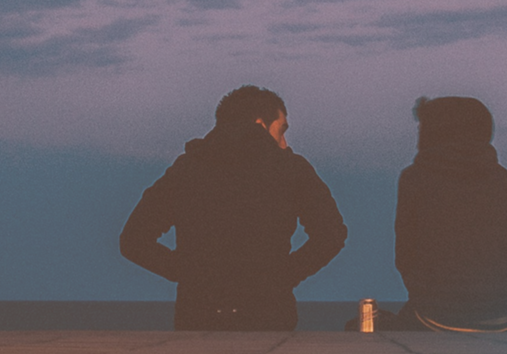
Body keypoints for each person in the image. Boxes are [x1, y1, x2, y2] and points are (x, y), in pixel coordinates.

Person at [120, 85, 348, 330]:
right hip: (268, 317)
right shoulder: (290, 168)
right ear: (260, 123)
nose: (284, 142)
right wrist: (281, 277)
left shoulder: (188, 169)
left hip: (198, 317)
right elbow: (331, 235)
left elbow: (133, 240)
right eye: (281, 131)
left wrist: (191, 273)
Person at [385, 96, 507, 332]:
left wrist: (428, 292)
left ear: (436, 133)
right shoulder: (504, 180)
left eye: (423, 130)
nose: (417, 141)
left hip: (440, 313)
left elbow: (405, 252)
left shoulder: (415, 178)